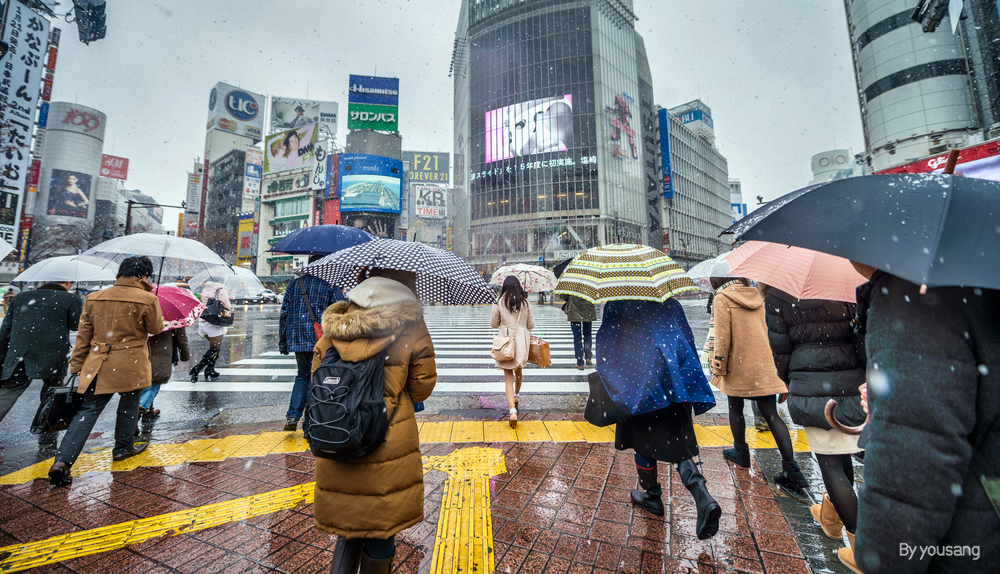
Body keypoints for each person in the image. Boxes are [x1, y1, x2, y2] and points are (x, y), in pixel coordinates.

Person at [846, 266, 999, 574]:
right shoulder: (983, 277)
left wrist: (882, 557)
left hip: (964, 545)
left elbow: (912, 462)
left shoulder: (916, 292)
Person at [312, 268, 436, 573]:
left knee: (349, 524)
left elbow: (317, 374)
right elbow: (421, 387)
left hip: (338, 430)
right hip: (386, 435)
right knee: (380, 527)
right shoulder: (410, 324)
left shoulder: (338, 322)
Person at [598, 298, 722, 540]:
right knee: (676, 442)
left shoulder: (618, 304)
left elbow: (607, 348)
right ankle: (702, 496)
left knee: (642, 440)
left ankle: (652, 495)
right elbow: (686, 339)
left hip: (637, 381)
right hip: (672, 380)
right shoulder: (670, 303)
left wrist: (613, 379)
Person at [763, 286, 865, 558]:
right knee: (841, 451)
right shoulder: (841, 285)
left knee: (830, 463)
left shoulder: (777, 293)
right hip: (849, 378)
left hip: (809, 383)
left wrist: (789, 380)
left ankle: (862, 552)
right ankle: (831, 520)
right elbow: (859, 334)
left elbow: (781, 350)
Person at [48, 256, 164, 486]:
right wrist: (150, 297)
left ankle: (62, 462)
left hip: (98, 361)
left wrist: (77, 365)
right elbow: (156, 328)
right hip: (130, 362)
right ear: (143, 276)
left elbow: (83, 335)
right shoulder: (147, 298)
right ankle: (123, 447)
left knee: (89, 410)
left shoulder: (94, 297)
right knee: (129, 405)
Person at [709, 277, 807, 490]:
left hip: (738, 364)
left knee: (735, 408)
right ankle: (792, 469)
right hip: (763, 365)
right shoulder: (759, 295)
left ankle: (741, 452)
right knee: (771, 415)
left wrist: (718, 366)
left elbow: (722, 338)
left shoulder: (722, 298)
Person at [0, 281, 82, 423]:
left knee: (10, 390)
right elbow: (76, 325)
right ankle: (46, 427)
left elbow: (6, 328)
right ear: (67, 283)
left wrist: (2, 354)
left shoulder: (21, 297)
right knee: (52, 390)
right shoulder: (70, 299)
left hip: (20, 352)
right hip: (53, 353)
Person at [278, 258, 343, 431]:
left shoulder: (294, 284)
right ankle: (310, 421)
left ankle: (293, 416)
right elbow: (341, 312)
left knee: (302, 375)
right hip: (321, 339)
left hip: (297, 338)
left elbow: (284, 314)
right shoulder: (330, 285)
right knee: (318, 377)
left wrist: (283, 342)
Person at [491, 276, 534, 428]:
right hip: (521, 340)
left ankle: (512, 411)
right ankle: (516, 395)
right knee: (519, 369)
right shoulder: (525, 302)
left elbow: (494, 324)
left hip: (506, 341)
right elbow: (530, 325)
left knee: (508, 376)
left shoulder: (499, 302)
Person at [138, 327, 190, 420]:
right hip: (160, 351)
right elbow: (180, 337)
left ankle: (148, 411)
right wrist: (185, 355)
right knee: (153, 384)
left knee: (143, 381)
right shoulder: (172, 319)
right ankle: (140, 410)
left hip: (139, 350)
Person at [189, 282, 231, 383]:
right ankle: (197, 369)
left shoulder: (206, 289)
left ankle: (210, 369)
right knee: (215, 348)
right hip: (213, 323)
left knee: (215, 348)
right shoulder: (221, 290)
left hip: (204, 320)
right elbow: (227, 305)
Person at [562, 294, 596, 370]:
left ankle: (580, 361)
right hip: (588, 308)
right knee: (587, 334)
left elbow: (564, 296)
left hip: (574, 308)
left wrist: (569, 298)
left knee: (577, 336)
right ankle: (588, 357)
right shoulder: (589, 286)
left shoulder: (571, 286)